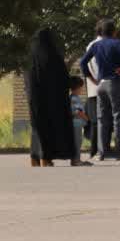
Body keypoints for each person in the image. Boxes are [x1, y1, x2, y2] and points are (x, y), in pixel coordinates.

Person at [79, 19, 120, 160]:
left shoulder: (96, 45)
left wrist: (91, 78)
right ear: (114, 31)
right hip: (114, 82)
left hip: (100, 84)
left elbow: (83, 62)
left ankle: (102, 152)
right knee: (119, 116)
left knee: (102, 118)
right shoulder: (118, 43)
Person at [26, 28, 78, 167]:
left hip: (35, 101)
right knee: (55, 127)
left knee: (38, 127)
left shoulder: (29, 58)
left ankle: (35, 158)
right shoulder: (52, 55)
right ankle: (46, 158)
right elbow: (62, 78)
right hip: (54, 101)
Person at [83, 23, 104, 159]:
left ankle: (94, 149)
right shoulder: (104, 45)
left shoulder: (90, 45)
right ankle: (99, 149)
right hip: (103, 86)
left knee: (96, 121)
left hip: (93, 88)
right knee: (101, 120)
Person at [68, 76, 91, 166]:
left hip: (74, 124)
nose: (82, 90)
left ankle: (74, 160)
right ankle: (76, 160)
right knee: (77, 143)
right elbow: (78, 112)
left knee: (76, 142)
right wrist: (86, 118)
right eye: (81, 87)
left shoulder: (71, 97)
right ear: (78, 88)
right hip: (76, 124)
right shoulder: (75, 98)